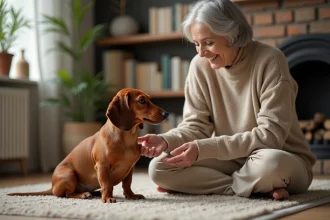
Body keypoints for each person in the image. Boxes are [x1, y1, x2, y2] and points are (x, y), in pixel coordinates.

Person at [138, 0, 316, 200]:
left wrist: (203, 149)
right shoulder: (199, 66)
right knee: (161, 167)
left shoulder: (271, 60)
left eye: (208, 43)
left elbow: (270, 137)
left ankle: (250, 182)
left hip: (278, 156)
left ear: (233, 35)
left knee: (270, 164)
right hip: (231, 158)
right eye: (197, 44)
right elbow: (196, 125)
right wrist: (166, 140)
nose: (201, 52)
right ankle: (251, 187)